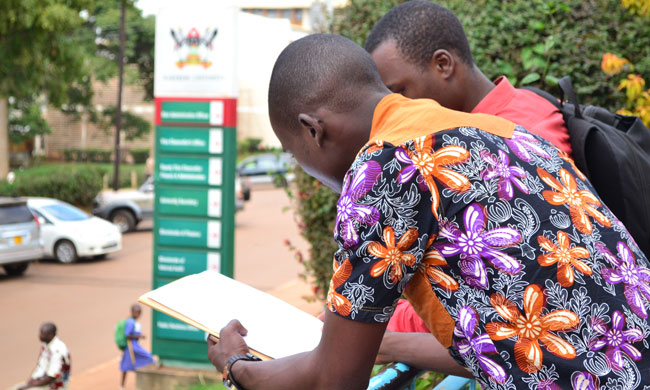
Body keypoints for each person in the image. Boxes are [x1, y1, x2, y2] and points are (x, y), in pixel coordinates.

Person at [207, 33, 650, 389]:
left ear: (312, 130)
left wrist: (237, 367)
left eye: (293, 155)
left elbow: (335, 379)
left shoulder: (385, 164)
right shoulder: (502, 129)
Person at [365, 0, 572, 157]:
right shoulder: (477, 129)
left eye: (401, 92)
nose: (398, 108)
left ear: (443, 64)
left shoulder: (521, 135)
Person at [15, 323, 71, 390]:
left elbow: (51, 377)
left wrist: (30, 386)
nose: (40, 335)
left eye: (43, 333)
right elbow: (40, 367)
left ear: (50, 335)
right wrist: (29, 383)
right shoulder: (46, 345)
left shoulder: (57, 350)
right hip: (42, 383)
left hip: (55, 386)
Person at [120, 304, 154, 390]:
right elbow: (127, 335)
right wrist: (139, 336)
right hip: (131, 347)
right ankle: (122, 386)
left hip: (134, 346)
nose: (138, 314)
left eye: (139, 313)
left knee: (130, 364)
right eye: (136, 312)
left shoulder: (135, 322)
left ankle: (124, 386)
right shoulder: (130, 322)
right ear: (132, 312)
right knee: (147, 358)